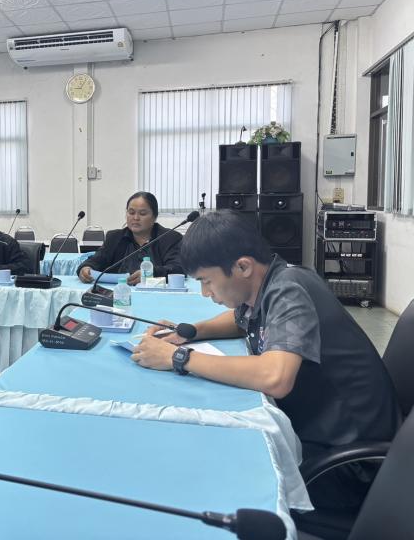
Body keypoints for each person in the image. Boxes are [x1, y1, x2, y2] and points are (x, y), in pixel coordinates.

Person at [131, 211, 400, 508]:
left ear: (243, 266)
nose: (206, 293)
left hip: (351, 468)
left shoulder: (289, 290)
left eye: (207, 281)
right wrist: (191, 332)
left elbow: (276, 377)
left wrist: (178, 357)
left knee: (210, 475)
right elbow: (242, 321)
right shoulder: (270, 282)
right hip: (326, 438)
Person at [77, 191, 183, 285]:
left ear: (154, 216)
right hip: (119, 293)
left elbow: (177, 268)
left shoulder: (169, 238)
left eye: (142, 214)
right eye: (131, 213)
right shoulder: (114, 237)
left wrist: (151, 274)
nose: (135, 218)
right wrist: (85, 268)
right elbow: (96, 260)